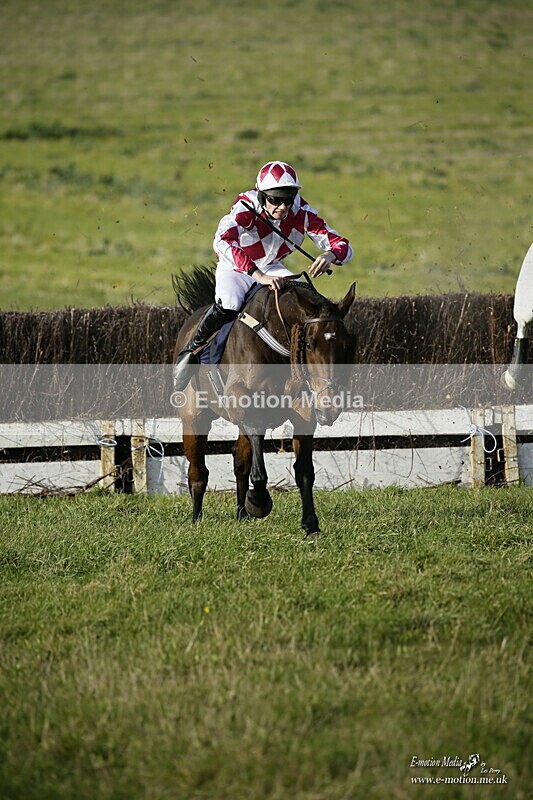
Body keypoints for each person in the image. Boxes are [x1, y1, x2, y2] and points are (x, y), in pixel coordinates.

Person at [173, 160, 353, 389]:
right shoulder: (245, 207)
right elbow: (222, 241)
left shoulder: (302, 211)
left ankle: (307, 373)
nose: (283, 207)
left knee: (306, 302)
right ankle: (191, 352)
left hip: (272, 265)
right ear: (261, 195)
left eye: (288, 199)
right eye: (275, 200)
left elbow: (345, 246)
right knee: (229, 303)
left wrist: (330, 255)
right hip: (237, 267)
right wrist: (258, 275)